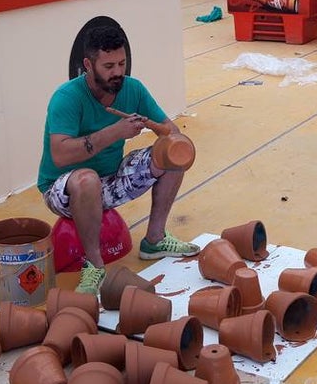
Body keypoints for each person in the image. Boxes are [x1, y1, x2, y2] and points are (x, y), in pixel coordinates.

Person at [38, 23, 201, 293]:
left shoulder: (132, 89)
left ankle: (155, 239)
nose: (118, 73)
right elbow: (60, 154)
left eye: (122, 64)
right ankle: (95, 267)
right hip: (63, 189)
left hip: (110, 180)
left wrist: (168, 136)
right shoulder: (67, 97)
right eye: (109, 66)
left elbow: (171, 131)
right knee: (87, 179)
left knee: (173, 152)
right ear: (88, 65)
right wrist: (114, 132)